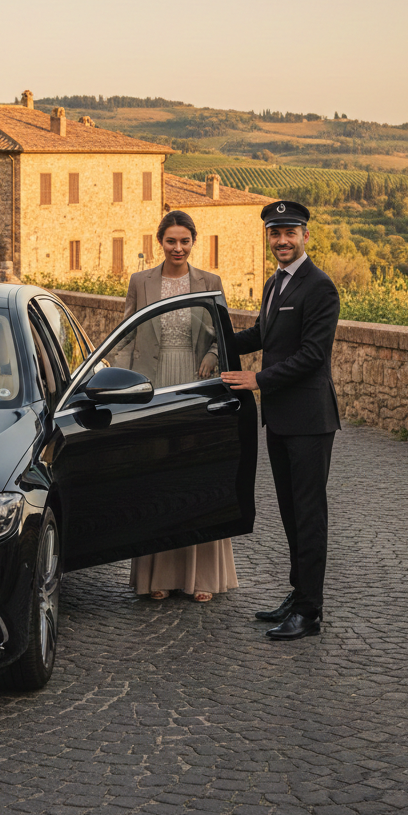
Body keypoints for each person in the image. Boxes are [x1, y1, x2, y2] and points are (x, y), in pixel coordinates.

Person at [221, 200, 341, 641]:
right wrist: (215, 339)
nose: (282, 240)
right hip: (280, 419)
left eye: (290, 232)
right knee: (290, 513)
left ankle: (309, 612)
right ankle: (298, 593)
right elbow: (262, 336)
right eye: (275, 233)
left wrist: (257, 379)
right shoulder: (274, 284)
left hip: (310, 419)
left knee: (309, 515)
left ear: (306, 235)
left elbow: (313, 356)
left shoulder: (320, 287)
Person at [125, 210, 239, 604]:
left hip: (196, 385)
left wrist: (211, 355)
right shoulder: (140, 282)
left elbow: (222, 335)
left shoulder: (210, 282)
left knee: (198, 478)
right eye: (171, 241)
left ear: (194, 242)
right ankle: (158, 574)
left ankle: (201, 575)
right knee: (156, 476)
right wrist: (114, 384)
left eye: (185, 241)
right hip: (150, 390)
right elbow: (126, 335)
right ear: (161, 242)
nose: (178, 248)